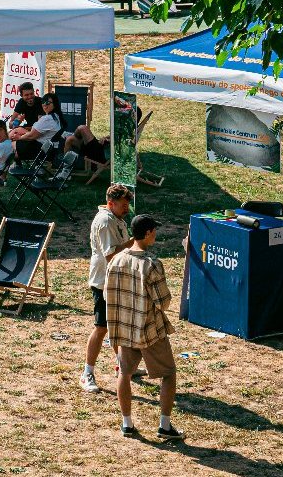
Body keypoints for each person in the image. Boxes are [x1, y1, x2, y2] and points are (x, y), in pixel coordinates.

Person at [105, 214, 182, 441]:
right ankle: (164, 425)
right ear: (148, 233)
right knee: (168, 374)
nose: (156, 234)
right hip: (149, 330)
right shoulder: (151, 264)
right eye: (154, 230)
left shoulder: (116, 260)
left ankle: (127, 423)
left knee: (124, 373)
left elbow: (107, 293)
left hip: (124, 329)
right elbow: (164, 302)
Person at [83, 184, 133, 392]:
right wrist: (134, 242)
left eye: (128, 205)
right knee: (102, 327)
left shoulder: (116, 218)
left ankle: (122, 365)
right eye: (123, 205)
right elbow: (110, 254)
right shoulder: (105, 222)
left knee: (119, 326)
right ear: (111, 203)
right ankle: (87, 373)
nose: (127, 209)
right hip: (103, 281)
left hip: (117, 280)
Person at [8, 93, 64, 161]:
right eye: (43, 102)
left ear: (54, 104)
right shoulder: (56, 116)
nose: (45, 104)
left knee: (9, 144)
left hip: (40, 150)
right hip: (46, 148)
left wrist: (19, 137)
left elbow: (31, 136)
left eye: (48, 102)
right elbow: (34, 132)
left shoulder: (48, 119)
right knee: (16, 131)